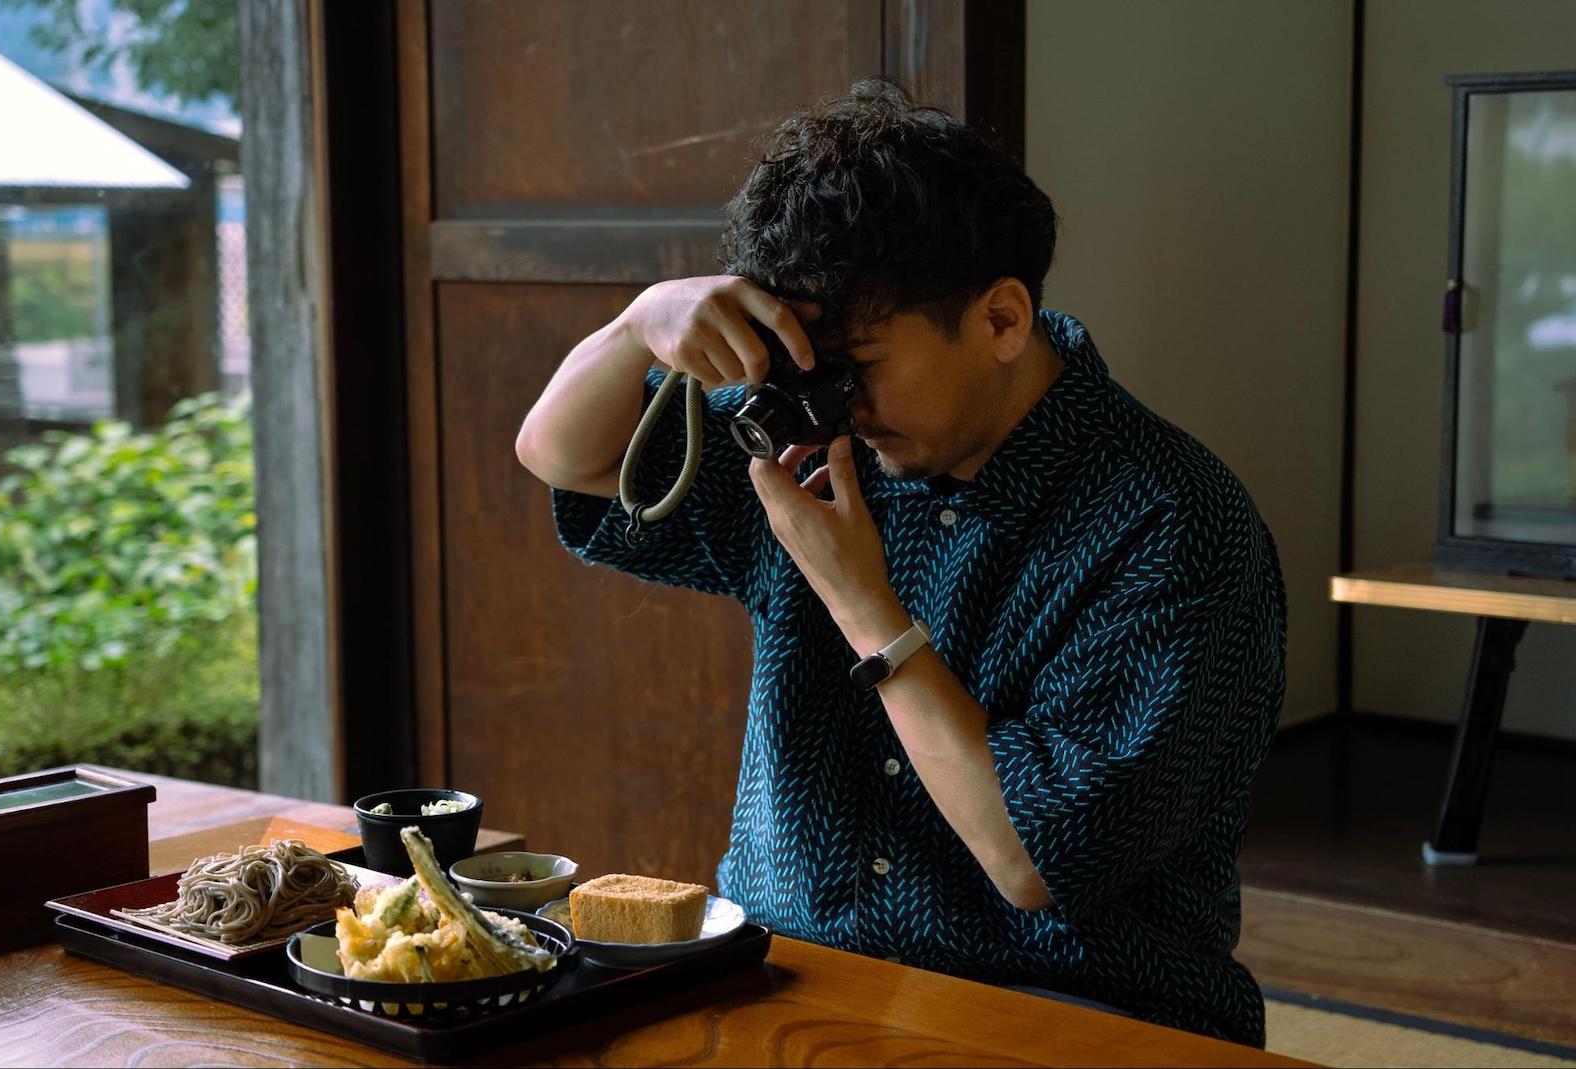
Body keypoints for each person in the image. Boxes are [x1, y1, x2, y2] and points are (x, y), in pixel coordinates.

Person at [515, 79, 1286, 1047]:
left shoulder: (1176, 527)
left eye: (858, 363)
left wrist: (860, 602)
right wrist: (638, 327)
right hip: (789, 974)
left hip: (1066, 1011)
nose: (833, 399)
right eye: (807, 362)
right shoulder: (827, 439)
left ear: (1002, 320)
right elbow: (563, 457)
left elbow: (1028, 856)